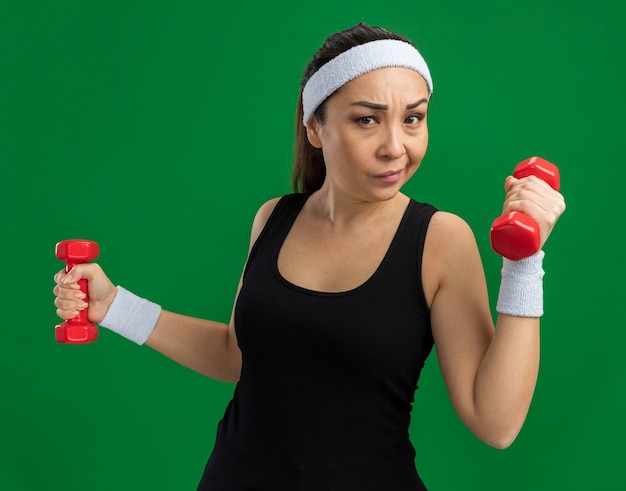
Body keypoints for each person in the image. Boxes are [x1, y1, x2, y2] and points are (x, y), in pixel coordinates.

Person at [53, 22, 566, 490]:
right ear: (315, 128)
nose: (395, 145)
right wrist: (113, 306)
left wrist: (524, 262)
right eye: (368, 120)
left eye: (413, 118)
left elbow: (495, 422)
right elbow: (239, 354)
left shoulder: (439, 240)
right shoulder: (274, 218)